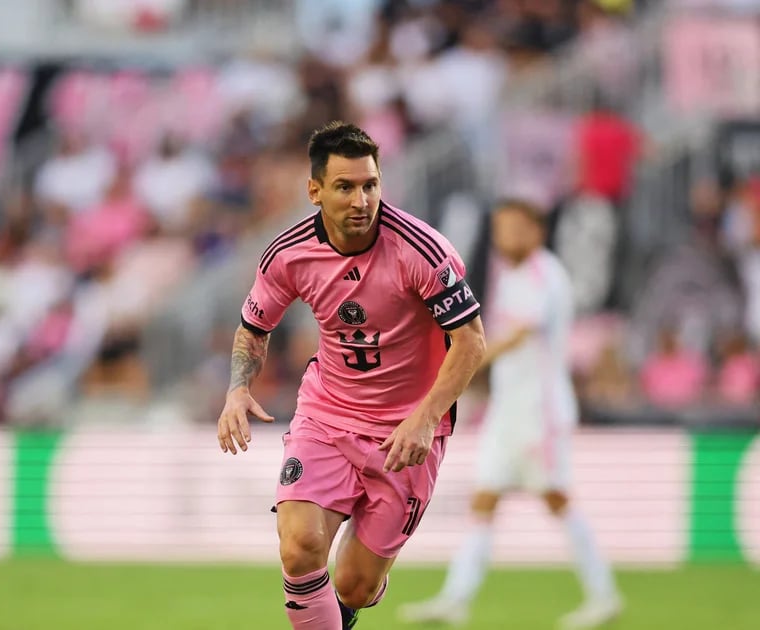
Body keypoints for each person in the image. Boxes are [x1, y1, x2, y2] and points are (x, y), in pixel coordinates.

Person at [217, 121, 487, 630]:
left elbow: (471, 341)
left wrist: (426, 417)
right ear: (315, 190)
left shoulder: (422, 251)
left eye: (370, 185)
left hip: (407, 432)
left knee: (354, 585)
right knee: (300, 547)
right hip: (328, 415)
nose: (362, 200)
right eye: (345, 187)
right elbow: (253, 329)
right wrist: (237, 389)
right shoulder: (289, 254)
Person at [398, 199, 621, 629]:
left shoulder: (542, 274)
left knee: (557, 499)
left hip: (540, 413)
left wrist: (459, 361)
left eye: (516, 228)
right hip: (509, 413)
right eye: (500, 228)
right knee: (483, 501)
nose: (506, 237)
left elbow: (513, 338)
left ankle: (603, 594)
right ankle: (455, 599)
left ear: (537, 231)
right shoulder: (515, 276)